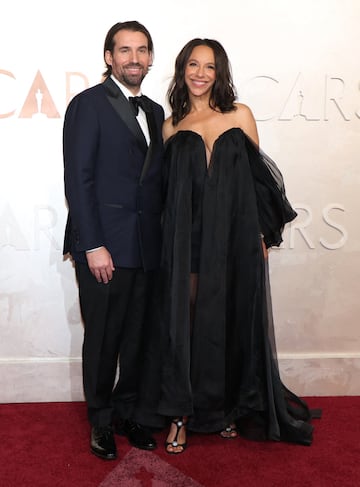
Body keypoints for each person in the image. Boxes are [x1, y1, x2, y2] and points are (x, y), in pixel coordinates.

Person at [135, 38, 316, 453]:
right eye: (193, 65)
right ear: (182, 70)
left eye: (210, 67)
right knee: (186, 325)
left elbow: (259, 181)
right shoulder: (171, 125)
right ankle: (180, 415)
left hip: (235, 238)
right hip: (186, 243)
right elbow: (163, 192)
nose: (200, 73)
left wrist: (261, 235)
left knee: (229, 321)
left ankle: (224, 408)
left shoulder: (241, 115)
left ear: (221, 74)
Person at [63, 21, 164, 460]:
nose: (134, 59)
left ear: (151, 58)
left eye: (142, 51)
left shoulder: (156, 112)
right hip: (104, 246)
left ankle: (129, 412)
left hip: (145, 246)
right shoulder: (88, 105)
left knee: (139, 337)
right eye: (124, 50)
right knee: (104, 338)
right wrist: (92, 244)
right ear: (109, 57)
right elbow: (79, 181)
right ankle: (101, 421)